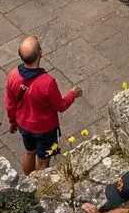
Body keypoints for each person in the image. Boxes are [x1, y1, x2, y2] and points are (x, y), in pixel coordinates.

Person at [5, 35, 82, 175]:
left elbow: (10, 104)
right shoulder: (47, 82)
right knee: (43, 160)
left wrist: (12, 122)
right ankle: (40, 187)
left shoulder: (13, 75)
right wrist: (73, 93)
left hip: (23, 125)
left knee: (29, 152)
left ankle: (29, 182)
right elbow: (61, 106)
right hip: (45, 130)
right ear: (41, 53)